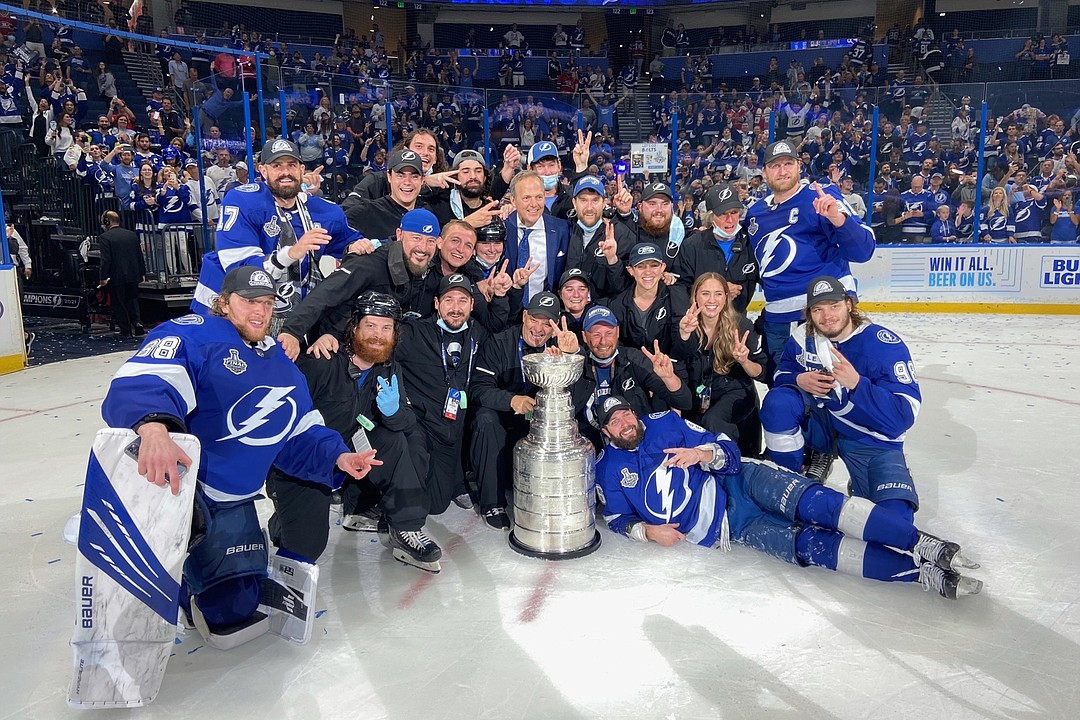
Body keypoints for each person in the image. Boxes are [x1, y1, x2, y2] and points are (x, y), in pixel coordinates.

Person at [98, 265, 380, 647]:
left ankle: (195, 577)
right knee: (199, 602)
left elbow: (299, 430)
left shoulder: (280, 363)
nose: (260, 312)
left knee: (236, 607)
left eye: (266, 303)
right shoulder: (191, 333)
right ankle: (170, 573)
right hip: (183, 493)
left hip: (234, 503)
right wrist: (152, 427)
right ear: (224, 302)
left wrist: (338, 457)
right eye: (249, 301)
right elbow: (146, 377)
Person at [593, 397, 982, 600]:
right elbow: (614, 519)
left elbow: (726, 450)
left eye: (626, 414)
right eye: (614, 422)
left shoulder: (665, 423)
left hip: (741, 481)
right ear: (606, 432)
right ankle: (921, 574)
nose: (625, 423)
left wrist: (702, 454)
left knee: (820, 506)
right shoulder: (608, 469)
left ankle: (924, 544)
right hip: (732, 528)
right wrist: (647, 531)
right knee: (814, 548)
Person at [267, 292, 441, 572]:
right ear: (355, 327)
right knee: (307, 545)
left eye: (386, 328)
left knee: (403, 441)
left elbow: (406, 421)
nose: (378, 335)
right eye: (371, 326)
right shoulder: (321, 361)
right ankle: (284, 519)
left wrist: (394, 412)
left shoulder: (388, 367)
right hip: (314, 456)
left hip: (353, 447)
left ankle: (404, 527)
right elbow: (284, 424)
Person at [761, 276, 921, 525]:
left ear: (849, 304)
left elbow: (902, 416)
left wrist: (858, 384)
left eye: (833, 306)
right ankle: (790, 483)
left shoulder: (882, 345)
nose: (826, 316)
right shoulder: (804, 335)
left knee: (895, 520)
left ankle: (864, 482)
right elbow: (782, 372)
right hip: (821, 425)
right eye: (818, 309)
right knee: (778, 402)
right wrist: (798, 379)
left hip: (867, 437)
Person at [191, 139, 364, 329]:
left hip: (284, 315)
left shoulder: (325, 211)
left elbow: (348, 242)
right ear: (263, 171)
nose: (285, 172)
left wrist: (357, 246)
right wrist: (290, 254)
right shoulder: (242, 200)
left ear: (301, 169)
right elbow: (240, 270)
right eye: (277, 166)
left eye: (292, 165)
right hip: (225, 309)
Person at [744, 141, 876, 383]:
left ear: (798, 167)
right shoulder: (755, 214)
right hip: (778, 318)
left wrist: (837, 219)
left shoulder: (821, 197)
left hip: (825, 312)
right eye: (775, 166)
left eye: (788, 164)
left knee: (837, 391)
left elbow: (864, 250)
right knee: (784, 391)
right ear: (764, 172)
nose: (782, 171)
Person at [471, 292, 581, 529]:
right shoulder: (498, 342)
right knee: (485, 419)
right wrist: (512, 400)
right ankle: (492, 503)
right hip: (503, 415)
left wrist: (566, 361)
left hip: (538, 419)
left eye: (547, 323)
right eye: (534, 319)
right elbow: (478, 389)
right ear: (524, 317)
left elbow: (577, 398)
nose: (539, 328)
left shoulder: (560, 346)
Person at [278, 208, 443, 358]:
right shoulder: (369, 263)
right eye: (416, 238)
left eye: (430, 241)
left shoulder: (423, 267)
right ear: (399, 235)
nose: (423, 247)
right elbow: (325, 294)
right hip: (333, 348)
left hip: (374, 350)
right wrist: (292, 332)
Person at [397, 274, 489, 514]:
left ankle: (454, 481)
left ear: (472, 305)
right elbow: (378, 348)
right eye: (449, 300)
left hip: (452, 425)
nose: (455, 308)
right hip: (423, 424)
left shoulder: (478, 333)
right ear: (437, 303)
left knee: (437, 505)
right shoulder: (414, 333)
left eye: (462, 300)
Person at [570, 304, 692, 449]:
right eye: (596, 335)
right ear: (584, 336)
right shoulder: (577, 364)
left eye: (609, 333)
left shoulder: (634, 360)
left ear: (617, 332)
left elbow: (684, 402)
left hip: (638, 445)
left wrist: (669, 377)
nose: (603, 341)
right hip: (593, 450)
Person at [670, 272, 766, 457]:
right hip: (696, 397)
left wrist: (744, 361)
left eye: (718, 293)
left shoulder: (742, 326)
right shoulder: (683, 325)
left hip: (735, 395)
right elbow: (677, 365)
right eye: (705, 293)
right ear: (695, 297)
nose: (711, 300)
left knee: (714, 422)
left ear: (726, 298)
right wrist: (683, 335)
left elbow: (761, 373)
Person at [671, 182, 759, 314]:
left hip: (737, 325)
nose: (730, 219)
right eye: (723, 213)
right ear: (711, 217)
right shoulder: (692, 246)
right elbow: (680, 289)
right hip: (699, 324)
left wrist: (759, 325)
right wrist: (719, 292)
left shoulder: (750, 244)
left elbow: (773, 284)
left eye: (734, 212)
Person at [503, 170, 571, 307]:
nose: (534, 204)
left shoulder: (562, 229)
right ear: (513, 201)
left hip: (545, 314)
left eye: (539, 197)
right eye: (526, 198)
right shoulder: (503, 229)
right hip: (506, 313)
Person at [97, 210, 146, 338]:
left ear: (107, 221)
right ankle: (137, 323)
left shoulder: (105, 237)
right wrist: (142, 272)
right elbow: (139, 255)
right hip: (134, 274)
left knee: (119, 303)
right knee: (132, 300)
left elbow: (106, 260)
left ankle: (125, 330)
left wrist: (103, 277)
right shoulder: (131, 235)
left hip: (117, 275)